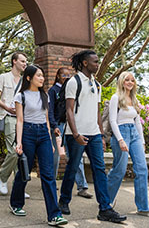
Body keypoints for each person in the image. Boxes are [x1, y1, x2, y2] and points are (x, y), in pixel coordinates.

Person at [58, 50, 126, 223]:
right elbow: (69, 110)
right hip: (77, 134)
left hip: (94, 134)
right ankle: (63, 201)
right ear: (85, 63)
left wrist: (101, 135)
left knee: (99, 170)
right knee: (72, 168)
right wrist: (75, 134)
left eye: (98, 61)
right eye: (94, 61)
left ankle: (105, 208)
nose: (98, 64)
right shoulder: (74, 82)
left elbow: (96, 111)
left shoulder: (97, 84)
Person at [9, 65, 68, 226]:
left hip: (43, 134)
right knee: (24, 172)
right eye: (39, 76)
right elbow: (19, 120)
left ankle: (54, 215)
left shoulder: (45, 96)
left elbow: (47, 120)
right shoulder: (21, 96)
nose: (42, 78)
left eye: (42, 76)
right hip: (27, 132)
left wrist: (50, 141)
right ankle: (16, 203)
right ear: (29, 78)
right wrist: (19, 142)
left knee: (48, 175)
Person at [107, 72, 149, 218]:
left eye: (132, 80)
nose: (130, 82)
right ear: (122, 82)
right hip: (121, 133)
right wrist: (120, 140)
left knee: (142, 169)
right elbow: (112, 121)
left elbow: (137, 122)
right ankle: (106, 202)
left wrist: (141, 141)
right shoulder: (115, 98)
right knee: (119, 170)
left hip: (134, 134)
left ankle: (143, 207)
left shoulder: (134, 99)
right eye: (127, 80)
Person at [47, 67, 93, 199]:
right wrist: (54, 125)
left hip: (72, 127)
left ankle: (82, 187)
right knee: (55, 155)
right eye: (63, 75)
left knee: (76, 156)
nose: (66, 77)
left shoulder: (72, 89)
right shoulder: (53, 91)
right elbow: (49, 110)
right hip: (58, 126)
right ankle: (52, 181)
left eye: (68, 75)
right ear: (57, 76)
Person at [0, 51, 29, 197]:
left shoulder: (25, 81)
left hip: (22, 119)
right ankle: (3, 177)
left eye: (26, 62)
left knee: (20, 152)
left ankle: (18, 187)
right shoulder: (4, 77)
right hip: (7, 117)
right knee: (13, 151)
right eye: (22, 61)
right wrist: (6, 107)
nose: (25, 64)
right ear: (14, 61)